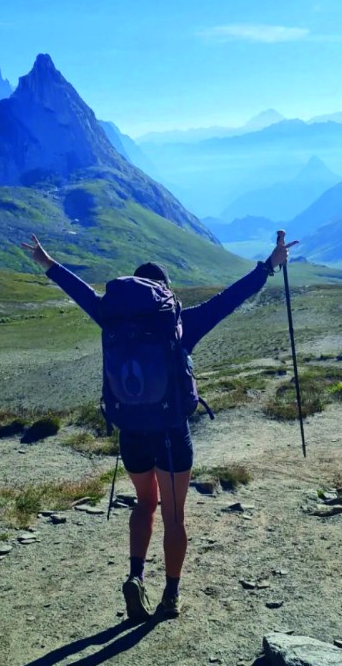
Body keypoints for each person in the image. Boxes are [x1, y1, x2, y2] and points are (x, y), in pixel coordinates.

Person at [21, 232, 298, 621]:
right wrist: (269, 265)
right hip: (171, 434)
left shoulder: (110, 314)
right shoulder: (180, 322)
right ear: (164, 291)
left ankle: (136, 575)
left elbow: (80, 292)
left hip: (131, 432)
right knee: (173, 515)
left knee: (144, 504)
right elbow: (230, 300)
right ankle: (170, 594)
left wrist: (47, 263)